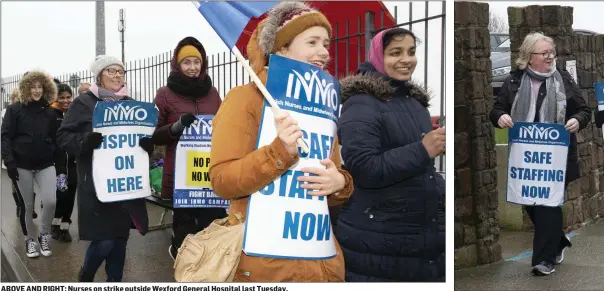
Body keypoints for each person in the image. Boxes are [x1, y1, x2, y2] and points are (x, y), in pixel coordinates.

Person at [209, 2, 354, 282]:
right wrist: (278, 153)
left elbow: (333, 176)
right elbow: (221, 181)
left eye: (326, 43)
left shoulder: (324, 106)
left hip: (322, 264)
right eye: (312, 42)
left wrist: (339, 185)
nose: (324, 52)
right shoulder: (245, 99)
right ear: (281, 48)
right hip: (264, 266)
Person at [335, 28, 445, 282]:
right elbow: (364, 168)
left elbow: (419, 166)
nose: (406, 59)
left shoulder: (414, 103)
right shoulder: (361, 102)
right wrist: (423, 149)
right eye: (395, 53)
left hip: (419, 238)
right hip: (379, 240)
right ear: (377, 57)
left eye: (411, 52)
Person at [489, 32, 591, 276]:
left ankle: (543, 260)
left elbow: (584, 110)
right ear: (529, 56)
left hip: (556, 157)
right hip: (525, 158)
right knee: (530, 202)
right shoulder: (514, 81)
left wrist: (577, 120)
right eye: (544, 53)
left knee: (547, 204)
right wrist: (500, 117)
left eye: (551, 52)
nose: (550, 57)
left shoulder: (563, 79)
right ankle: (558, 240)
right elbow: (497, 110)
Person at [57, 55, 154, 282]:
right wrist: (85, 141)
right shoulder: (83, 103)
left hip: (124, 184)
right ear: (99, 75)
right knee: (104, 241)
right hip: (96, 184)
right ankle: (86, 276)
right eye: (111, 71)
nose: (117, 75)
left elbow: (139, 137)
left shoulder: (131, 103)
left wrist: (146, 146)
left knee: (120, 240)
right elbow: (63, 137)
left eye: (120, 71)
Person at [151, 36, 225, 260]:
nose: (193, 67)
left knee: (213, 230)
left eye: (197, 62)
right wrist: (175, 127)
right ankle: (184, 266)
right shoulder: (164, 94)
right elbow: (155, 135)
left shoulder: (212, 93)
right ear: (177, 65)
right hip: (181, 177)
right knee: (184, 235)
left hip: (208, 173)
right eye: (187, 62)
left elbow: (221, 125)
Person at [1, 71, 59, 258]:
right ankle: (29, 241)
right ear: (26, 88)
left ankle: (43, 234)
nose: (36, 90)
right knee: (27, 205)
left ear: (45, 88)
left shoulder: (51, 112)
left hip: (46, 164)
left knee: (50, 201)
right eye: (32, 87)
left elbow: (56, 140)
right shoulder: (14, 110)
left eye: (39, 87)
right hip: (22, 165)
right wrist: (9, 161)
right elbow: (5, 136)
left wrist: (61, 165)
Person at [50, 83, 77, 242]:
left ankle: (65, 226)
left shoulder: (74, 113)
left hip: (73, 163)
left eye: (68, 97)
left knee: (71, 193)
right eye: (62, 97)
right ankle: (55, 224)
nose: (66, 101)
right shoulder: (51, 114)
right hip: (58, 164)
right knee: (62, 193)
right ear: (56, 98)